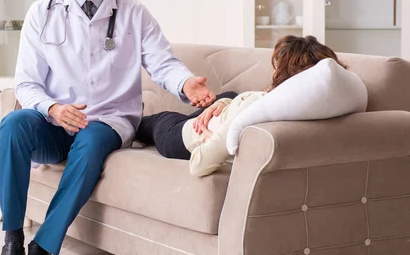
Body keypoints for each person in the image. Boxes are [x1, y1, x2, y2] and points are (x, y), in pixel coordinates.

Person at [0, 0, 216, 255]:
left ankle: (44, 245)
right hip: (55, 123)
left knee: (93, 139)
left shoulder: (132, 12)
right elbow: (27, 84)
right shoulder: (41, 14)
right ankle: (12, 240)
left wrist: (186, 83)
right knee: (13, 125)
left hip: (108, 121)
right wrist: (52, 108)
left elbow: (162, 62)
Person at [136, 35, 347, 176]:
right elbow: (242, 103)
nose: (273, 73)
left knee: (159, 120)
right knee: (230, 95)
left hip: (179, 137)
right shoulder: (300, 105)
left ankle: (125, 126)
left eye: (277, 67)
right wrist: (223, 104)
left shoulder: (253, 111)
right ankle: (214, 108)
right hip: (223, 113)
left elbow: (199, 165)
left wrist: (210, 137)